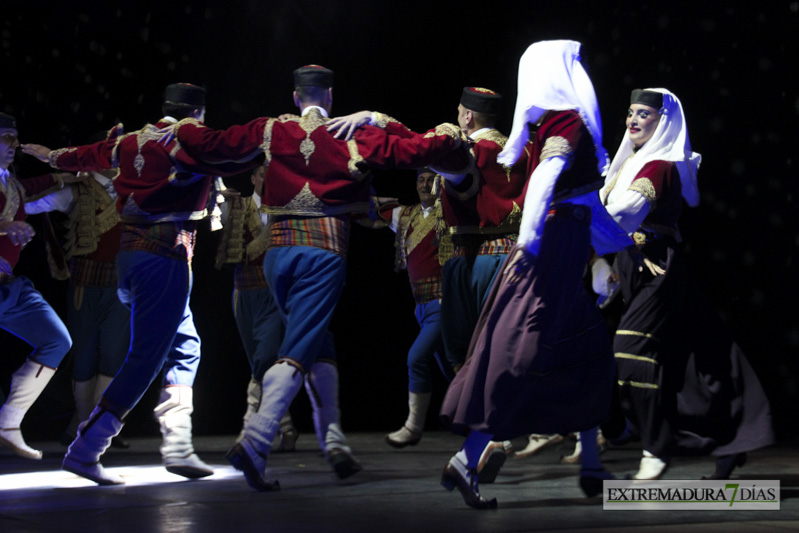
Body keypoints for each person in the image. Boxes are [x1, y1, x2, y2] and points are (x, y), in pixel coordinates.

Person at [169, 64, 467, 492]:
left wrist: (178, 124)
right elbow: (420, 149)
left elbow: (213, 144)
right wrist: (379, 118)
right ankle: (255, 439)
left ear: (296, 97)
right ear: (329, 97)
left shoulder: (270, 129)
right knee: (298, 347)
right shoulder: (353, 135)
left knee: (316, 340)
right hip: (322, 253)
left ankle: (333, 440)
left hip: (277, 256)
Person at [22, 83, 258, 485]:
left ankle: (179, 446)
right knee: (144, 358)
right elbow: (232, 147)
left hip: (132, 260)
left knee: (186, 346)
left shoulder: (130, 140)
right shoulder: (186, 136)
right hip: (162, 258)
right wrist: (280, 133)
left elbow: (88, 155)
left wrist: (53, 155)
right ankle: (87, 448)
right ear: (197, 114)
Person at [437, 40, 633, 509]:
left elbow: (584, 203)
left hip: (564, 249)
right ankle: (467, 459)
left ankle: (591, 464)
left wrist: (611, 250)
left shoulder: (552, 122)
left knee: (588, 356)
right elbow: (548, 181)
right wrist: (528, 245)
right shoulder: (565, 122)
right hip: (549, 252)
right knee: (517, 357)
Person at [597, 88, 774, 480]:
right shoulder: (629, 162)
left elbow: (625, 214)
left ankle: (654, 448)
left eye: (644, 114)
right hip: (633, 264)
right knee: (691, 358)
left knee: (630, 352)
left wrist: (581, 221)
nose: (634, 120)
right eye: (631, 112)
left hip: (656, 265)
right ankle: (730, 439)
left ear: (664, 122)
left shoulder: (660, 164)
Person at [24, 165, 130, 450]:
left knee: (114, 354)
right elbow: (29, 203)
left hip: (121, 283)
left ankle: (98, 422)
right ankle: (84, 421)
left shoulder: (133, 188)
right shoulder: (76, 191)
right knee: (83, 354)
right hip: (85, 284)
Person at [0, 111, 74, 460]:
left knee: (56, 340)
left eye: (15, 138)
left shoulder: (12, 184)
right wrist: (5, 229)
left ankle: (9, 422)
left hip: (9, 287)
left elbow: (42, 184)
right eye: (5, 138)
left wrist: (69, 170)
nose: (13, 145)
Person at [216, 166, 297, 451]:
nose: (267, 179)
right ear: (253, 178)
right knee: (259, 366)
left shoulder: (286, 209)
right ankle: (286, 426)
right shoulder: (235, 206)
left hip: (274, 294)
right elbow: (214, 219)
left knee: (265, 358)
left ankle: (251, 424)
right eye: (262, 174)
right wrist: (217, 195)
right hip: (244, 293)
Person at [380, 168, 455, 448]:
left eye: (430, 180)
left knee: (416, 358)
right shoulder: (405, 216)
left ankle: (413, 426)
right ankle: (488, 431)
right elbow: (366, 207)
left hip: (443, 303)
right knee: (455, 371)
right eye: (420, 180)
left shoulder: (451, 211)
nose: (425, 185)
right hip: (421, 307)